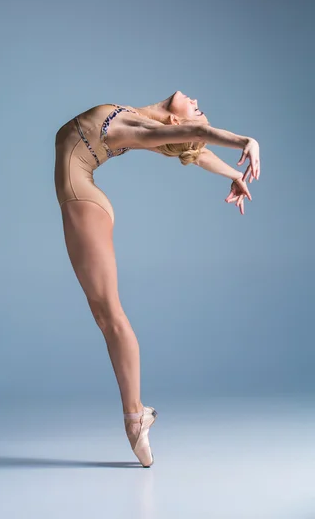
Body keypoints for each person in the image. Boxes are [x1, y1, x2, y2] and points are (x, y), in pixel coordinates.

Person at [54, 90, 260, 467]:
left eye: (200, 112)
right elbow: (194, 151)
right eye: (200, 110)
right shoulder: (142, 123)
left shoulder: (140, 129)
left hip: (83, 202)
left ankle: (135, 419)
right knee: (106, 316)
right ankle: (135, 416)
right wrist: (234, 174)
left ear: (176, 124)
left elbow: (199, 137)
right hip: (83, 198)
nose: (199, 101)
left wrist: (246, 142)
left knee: (109, 317)